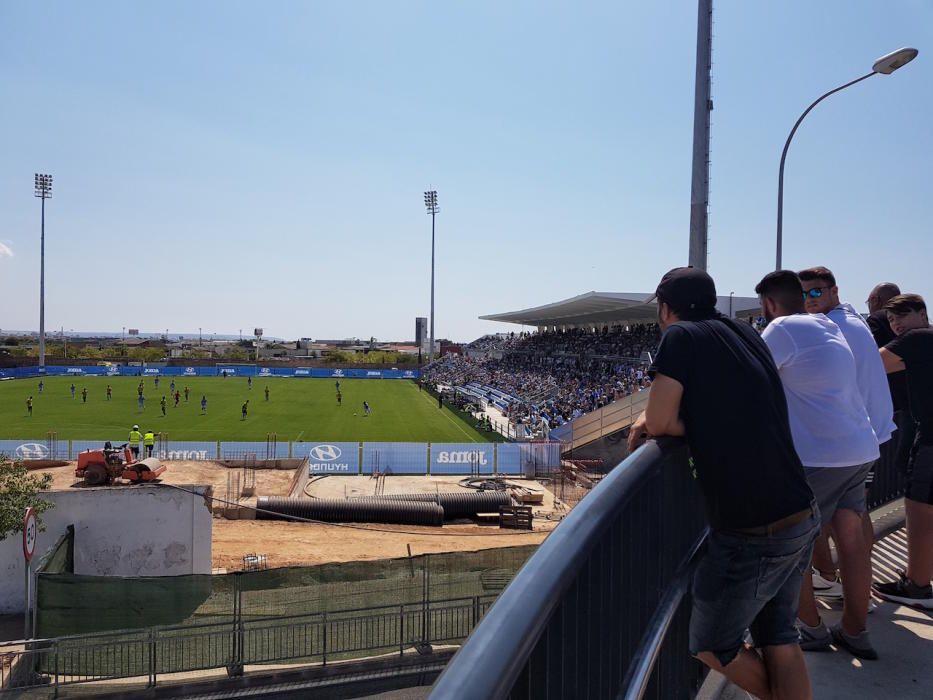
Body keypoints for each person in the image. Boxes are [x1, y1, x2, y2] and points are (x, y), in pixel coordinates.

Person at [627, 267, 817, 700]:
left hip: (753, 528)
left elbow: (658, 420)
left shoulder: (679, 337)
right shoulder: (746, 332)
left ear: (666, 307)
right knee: (779, 639)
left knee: (712, 645)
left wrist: (651, 419)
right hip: (799, 509)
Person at [756, 270, 880, 659]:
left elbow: (751, 378)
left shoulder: (781, 329)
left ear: (769, 305)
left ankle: (810, 628)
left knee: (794, 546)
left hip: (818, 458)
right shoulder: (828, 325)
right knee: (852, 541)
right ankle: (856, 630)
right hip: (859, 448)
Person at [798, 267, 896, 601]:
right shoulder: (851, 319)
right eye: (803, 294)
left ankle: (833, 581)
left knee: (820, 521)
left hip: (850, 437)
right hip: (867, 435)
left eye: (815, 292)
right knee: (851, 518)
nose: (808, 301)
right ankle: (854, 591)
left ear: (833, 291)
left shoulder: (832, 326)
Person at [876, 294, 933, 609]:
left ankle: (918, 587)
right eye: (891, 319)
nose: (896, 324)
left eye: (902, 315)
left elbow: (870, 366)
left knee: (919, 508)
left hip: (931, 439)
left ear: (922, 314)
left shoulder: (917, 339)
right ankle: (919, 573)